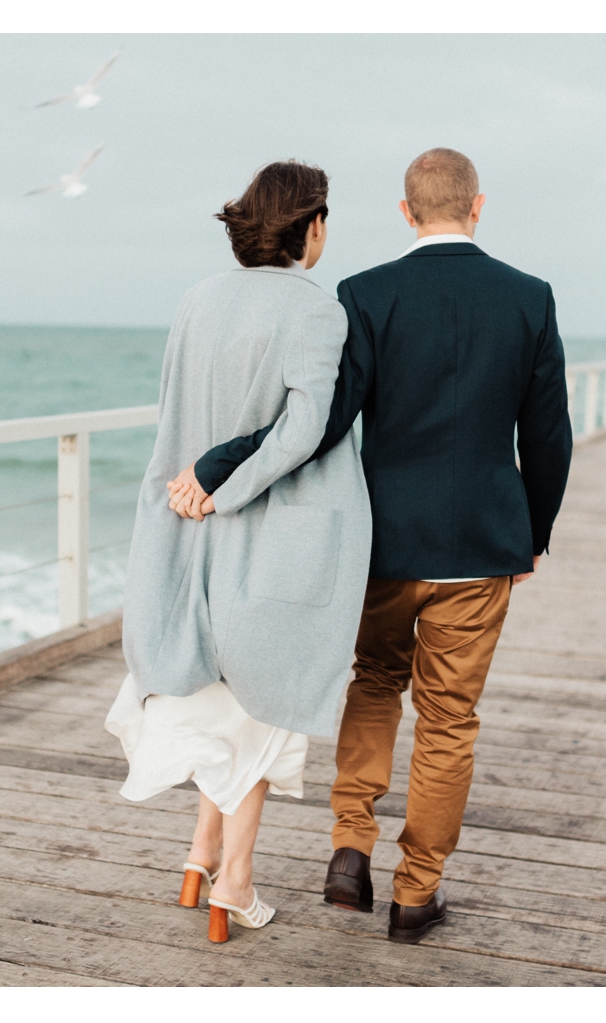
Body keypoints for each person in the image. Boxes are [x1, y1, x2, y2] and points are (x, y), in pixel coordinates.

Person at [168, 148, 572, 944]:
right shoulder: (530, 299)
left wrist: (218, 462)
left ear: (406, 211)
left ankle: (350, 850)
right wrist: (532, 535)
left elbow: (318, 424)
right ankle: (416, 895)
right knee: (450, 719)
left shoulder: (368, 294)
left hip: (382, 544)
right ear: (477, 207)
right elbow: (549, 435)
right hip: (482, 546)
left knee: (375, 685)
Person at [106, 160, 372, 944]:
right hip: (269, 535)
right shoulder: (318, 312)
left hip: (184, 532)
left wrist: (193, 493)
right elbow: (304, 432)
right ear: (312, 225)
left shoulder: (196, 300)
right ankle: (235, 883)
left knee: (221, 709)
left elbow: (172, 420)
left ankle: (198, 856)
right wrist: (229, 489)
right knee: (262, 717)